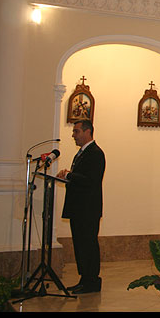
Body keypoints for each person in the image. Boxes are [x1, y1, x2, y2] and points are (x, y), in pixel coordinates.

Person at [57, 119, 105, 294]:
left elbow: (91, 180)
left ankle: (92, 281)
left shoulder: (96, 153)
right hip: (79, 208)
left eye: (76, 131)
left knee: (88, 245)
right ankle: (84, 279)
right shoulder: (82, 153)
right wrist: (68, 176)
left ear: (87, 132)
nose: (73, 135)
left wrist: (70, 176)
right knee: (80, 245)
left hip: (88, 209)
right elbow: (80, 178)